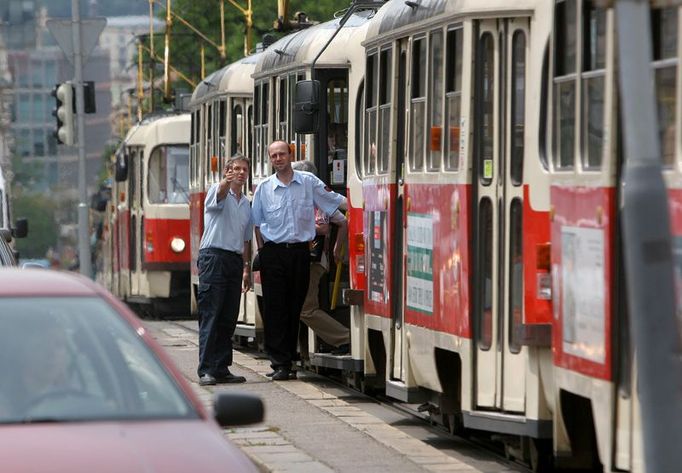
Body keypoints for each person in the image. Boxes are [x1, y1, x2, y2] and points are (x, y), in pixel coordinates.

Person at [252, 141, 347, 380]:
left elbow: (334, 202)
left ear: (290, 155)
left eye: (282, 154)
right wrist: (262, 252)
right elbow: (256, 223)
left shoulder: (308, 182)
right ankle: (280, 363)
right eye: (273, 155)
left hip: (299, 253)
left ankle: (290, 360)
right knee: (275, 309)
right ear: (270, 159)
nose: (278, 159)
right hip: (273, 253)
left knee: (295, 307)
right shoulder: (264, 188)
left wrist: (364, 200)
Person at [196, 155, 252, 386]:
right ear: (228, 171)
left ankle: (221, 367)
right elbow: (217, 195)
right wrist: (224, 182)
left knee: (228, 317)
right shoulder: (217, 191)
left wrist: (247, 268)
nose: (240, 173)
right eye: (235, 169)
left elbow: (246, 239)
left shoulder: (246, 203)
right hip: (213, 257)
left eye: (243, 170)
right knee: (211, 315)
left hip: (234, 259)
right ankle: (206, 369)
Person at [291, 160, 350, 354]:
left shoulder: (313, 198)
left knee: (305, 309)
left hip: (312, 260)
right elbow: (342, 222)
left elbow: (323, 227)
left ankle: (344, 338)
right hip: (313, 259)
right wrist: (336, 249)